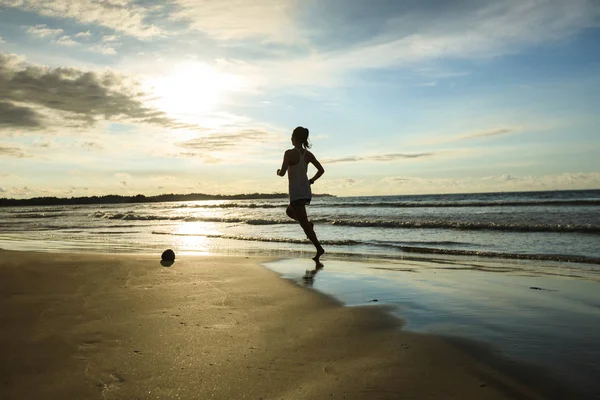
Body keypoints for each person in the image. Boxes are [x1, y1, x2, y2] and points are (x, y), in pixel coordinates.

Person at [277, 126, 325, 261]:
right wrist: (311, 181)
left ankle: (319, 248)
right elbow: (321, 170)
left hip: (296, 192)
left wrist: (277, 172)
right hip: (305, 190)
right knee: (289, 212)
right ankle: (309, 226)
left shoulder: (288, 153)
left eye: (292, 136)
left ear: (295, 138)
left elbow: (282, 173)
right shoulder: (308, 155)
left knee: (304, 224)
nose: (290, 139)